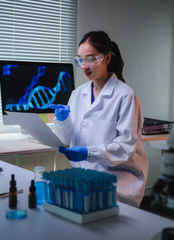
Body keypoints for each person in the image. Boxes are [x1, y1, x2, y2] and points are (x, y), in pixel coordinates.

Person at [50, 31, 148, 207]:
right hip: (86, 178)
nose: (84, 66)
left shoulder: (125, 96)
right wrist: (62, 121)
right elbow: (67, 138)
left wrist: (89, 152)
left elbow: (125, 147)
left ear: (107, 59)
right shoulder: (78, 94)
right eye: (80, 60)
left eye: (91, 59)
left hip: (117, 182)